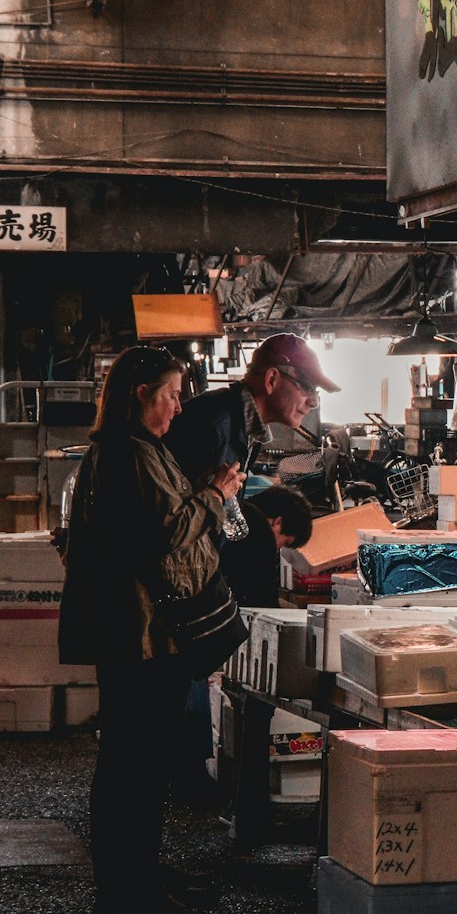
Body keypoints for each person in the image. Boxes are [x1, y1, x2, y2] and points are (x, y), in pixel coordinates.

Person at [57, 346, 245, 914]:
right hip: (136, 637)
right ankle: (127, 898)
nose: (179, 405)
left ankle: (138, 878)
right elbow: (171, 532)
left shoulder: (136, 449)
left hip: (142, 635)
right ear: (141, 393)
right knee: (133, 769)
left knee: (139, 766)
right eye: (171, 393)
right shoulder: (127, 454)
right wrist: (215, 493)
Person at [166, 334, 335, 808]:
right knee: (159, 719)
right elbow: (182, 519)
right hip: (173, 594)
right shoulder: (216, 424)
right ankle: (136, 874)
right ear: (273, 378)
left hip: (187, 587)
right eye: (305, 387)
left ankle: (145, 865)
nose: (311, 400)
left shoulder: (237, 424)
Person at [165, 332, 339, 486]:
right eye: (307, 387)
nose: (314, 402)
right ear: (271, 380)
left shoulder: (246, 427)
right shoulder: (209, 425)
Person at [218, 485, 314, 608]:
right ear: (278, 522)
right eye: (285, 543)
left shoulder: (238, 507)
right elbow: (264, 601)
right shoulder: (260, 532)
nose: (278, 550)